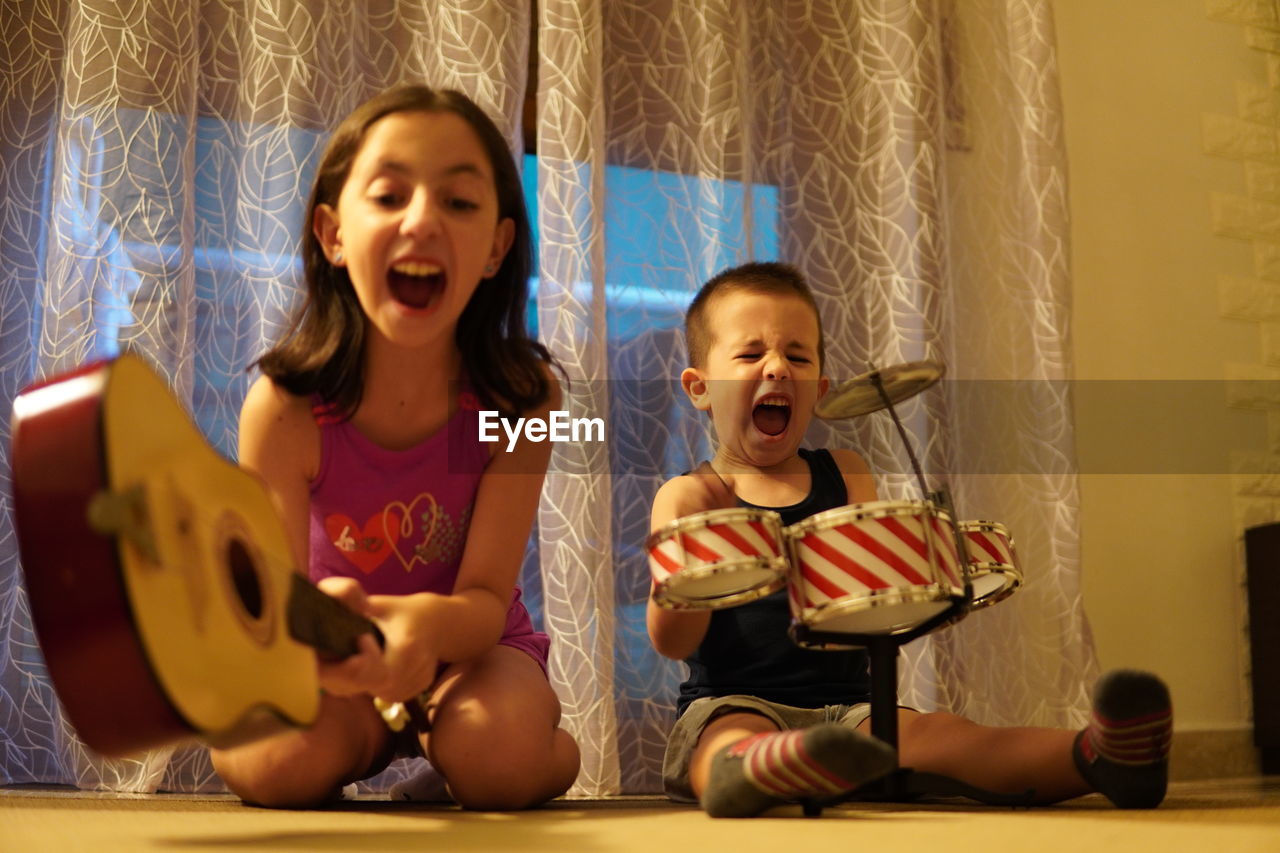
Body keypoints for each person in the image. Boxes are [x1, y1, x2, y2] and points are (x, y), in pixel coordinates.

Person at [648, 261, 1172, 818]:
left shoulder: (845, 473)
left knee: (952, 736)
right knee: (728, 738)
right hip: (735, 701)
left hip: (850, 709)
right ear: (700, 388)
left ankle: (1101, 755)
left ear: (820, 387)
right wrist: (700, 552)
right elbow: (673, 643)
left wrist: (936, 561)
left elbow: (879, 600)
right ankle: (763, 767)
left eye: (797, 356)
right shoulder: (688, 495)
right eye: (751, 355)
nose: (777, 367)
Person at [211, 85, 580, 809]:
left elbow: (482, 598)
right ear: (331, 234)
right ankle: (385, 742)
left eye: (460, 202)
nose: (422, 220)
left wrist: (420, 627)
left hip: (471, 652)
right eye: (387, 196)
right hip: (335, 655)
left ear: (498, 248)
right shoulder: (283, 407)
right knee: (268, 763)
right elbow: (277, 613)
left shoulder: (526, 400)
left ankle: (524, 739)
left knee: (499, 758)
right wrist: (341, 642)